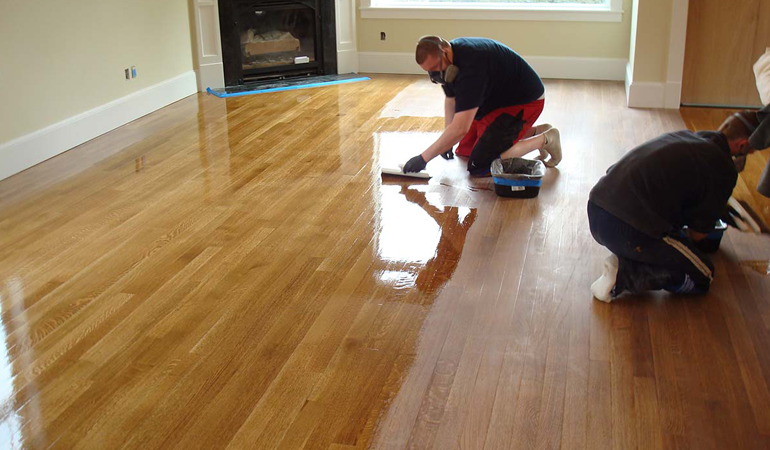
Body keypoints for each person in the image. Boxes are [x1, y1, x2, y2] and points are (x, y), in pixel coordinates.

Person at [587, 111, 767, 302]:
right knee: (703, 276)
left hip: (598, 208)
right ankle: (625, 275)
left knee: (669, 235)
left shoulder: (684, 136)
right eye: (751, 151)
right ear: (742, 144)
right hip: (628, 228)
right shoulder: (723, 169)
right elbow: (698, 235)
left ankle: (634, 256)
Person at [402, 36, 562, 176]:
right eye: (429, 71)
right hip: (495, 101)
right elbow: (451, 99)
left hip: (525, 102)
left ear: (444, 51)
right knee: (465, 150)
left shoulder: (472, 68)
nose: (434, 75)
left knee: (480, 164)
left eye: (435, 68)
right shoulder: (451, 62)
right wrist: (446, 142)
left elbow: (460, 128)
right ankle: (536, 131)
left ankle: (546, 139)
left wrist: (423, 158)